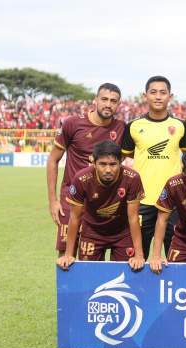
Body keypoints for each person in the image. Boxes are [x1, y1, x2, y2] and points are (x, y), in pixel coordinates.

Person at [47, 83, 125, 258]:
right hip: (72, 197)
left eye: (113, 101)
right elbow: (53, 159)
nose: (108, 104)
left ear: (118, 105)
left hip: (103, 202)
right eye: (104, 99)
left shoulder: (121, 127)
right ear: (96, 100)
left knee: (94, 255)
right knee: (66, 254)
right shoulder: (72, 123)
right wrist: (53, 200)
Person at [121, 76, 186, 259]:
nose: (158, 96)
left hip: (174, 201)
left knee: (174, 257)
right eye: (153, 92)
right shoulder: (133, 126)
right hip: (142, 199)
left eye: (163, 92)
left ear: (170, 96)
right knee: (138, 256)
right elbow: (125, 155)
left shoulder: (180, 125)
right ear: (145, 96)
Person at [56, 141, 145, 271]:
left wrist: (139, 255)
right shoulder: (81, 179)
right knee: (89, 274)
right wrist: (68, 254)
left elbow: (133, 218)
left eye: (113, 164)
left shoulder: (132, 178)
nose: (108, 170)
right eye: (102, 164)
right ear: (94, 163)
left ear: (121, 163)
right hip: (92, 231)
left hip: (122, 232)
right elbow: (75, 217)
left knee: (126, 272)